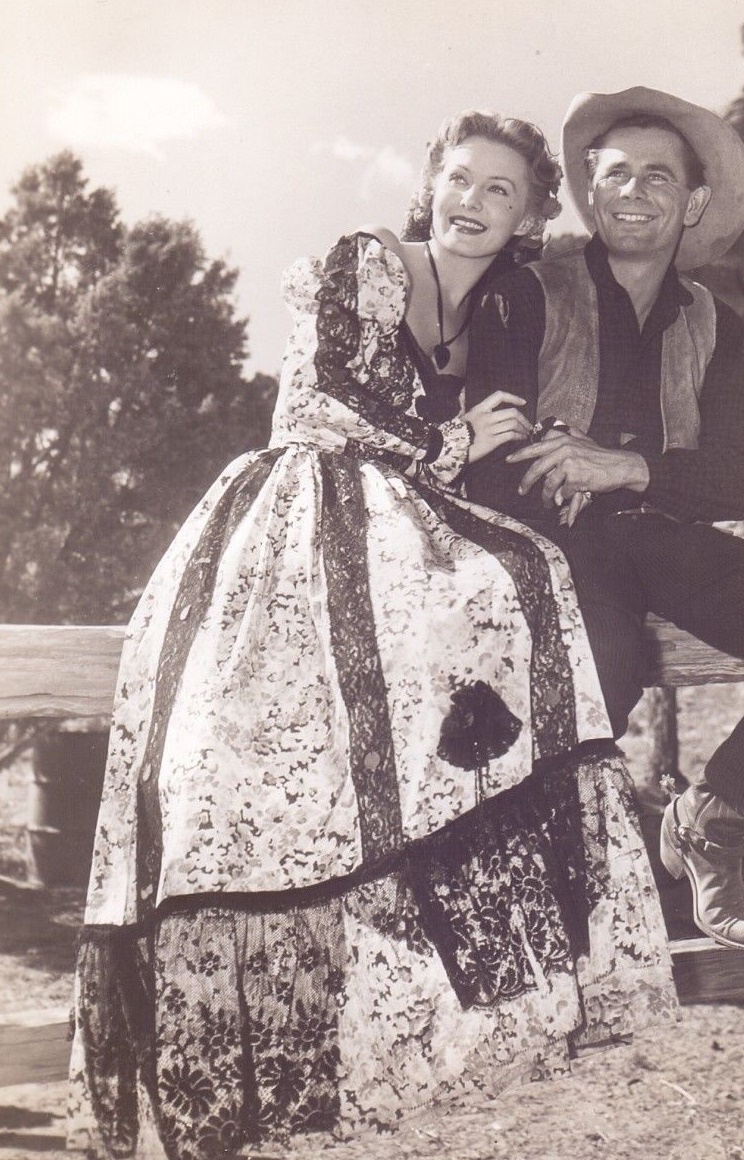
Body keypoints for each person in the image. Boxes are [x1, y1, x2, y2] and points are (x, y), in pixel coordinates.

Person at [66, 110, 676, 1160]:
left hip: (395, 508)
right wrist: (454, 436)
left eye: (500, 192)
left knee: (522, 581)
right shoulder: (368, 260)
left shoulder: (492, 307)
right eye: (459, 179)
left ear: (528, 215)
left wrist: (494, 444)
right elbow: (322, 404)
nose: (472, 204)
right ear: (428, 183)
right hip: (304, 500)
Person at [465, 87, 744, 955]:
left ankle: (712, 820)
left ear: (692, 202)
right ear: (591, 192)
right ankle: (530, 904)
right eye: (615, 174)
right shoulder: (522, 293)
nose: (633, 192)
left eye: (657, 177)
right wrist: (567, 475)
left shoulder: (717, 326)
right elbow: (485, 448)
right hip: (550, 540)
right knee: (611, 659)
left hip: (660, 538)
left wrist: (628, 466)